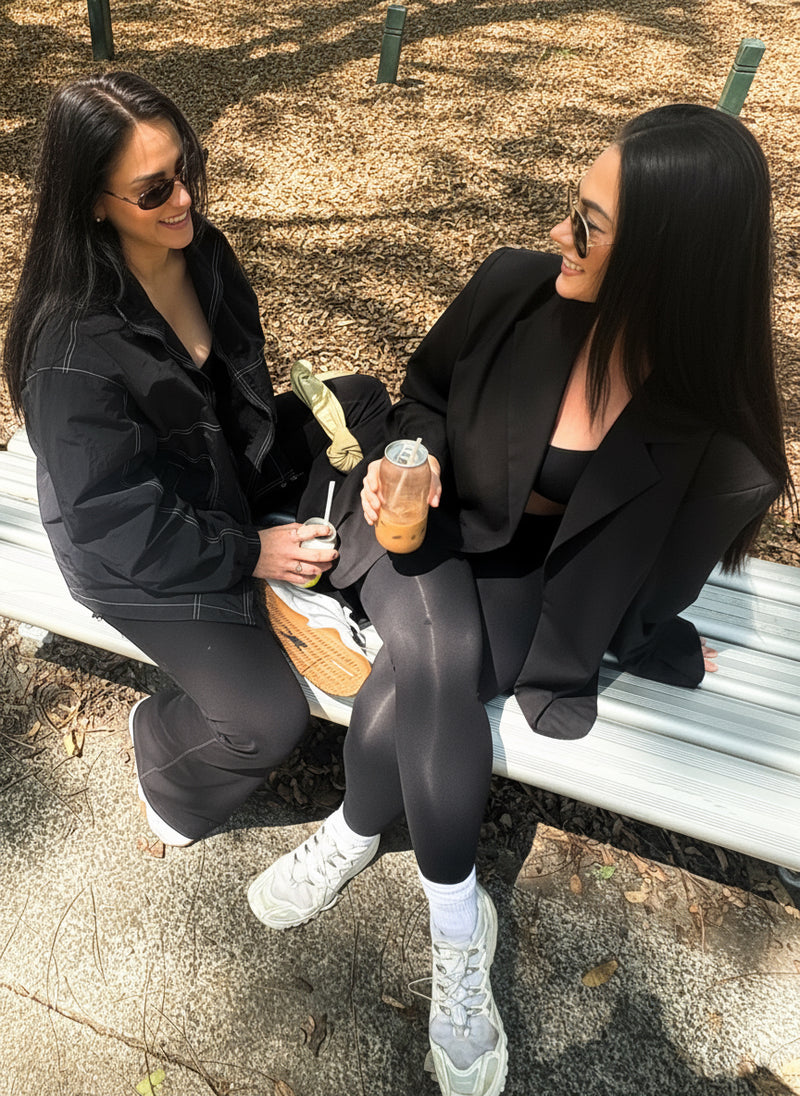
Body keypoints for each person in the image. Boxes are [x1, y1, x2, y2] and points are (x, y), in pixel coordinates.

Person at [247, 104, 794, 1096]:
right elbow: (421, 392)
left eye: (587, 222)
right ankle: (458, 919)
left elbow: (646, 587)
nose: (557, 233)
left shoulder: (722, 450)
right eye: (568, 208)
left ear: (668, 261)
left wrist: (655, 643)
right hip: (432, 529)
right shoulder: (511, 287)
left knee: (422, 670)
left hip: (531, 585)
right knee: (441, 653)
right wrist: (407, 467)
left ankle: (355, 825)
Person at [2, 71, 390, 847]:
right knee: (264, 724)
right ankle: (166, 763)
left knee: (367, 401)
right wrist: (252, 551)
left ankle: (343, 578)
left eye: (186, 171)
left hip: (216, 468)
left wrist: (285, 466)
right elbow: (117, 518)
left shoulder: (200, 250)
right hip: (136, 544)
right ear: (93, 203)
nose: (182, 200)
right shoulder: (71, 352)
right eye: (153, 191)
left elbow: (234, 393)